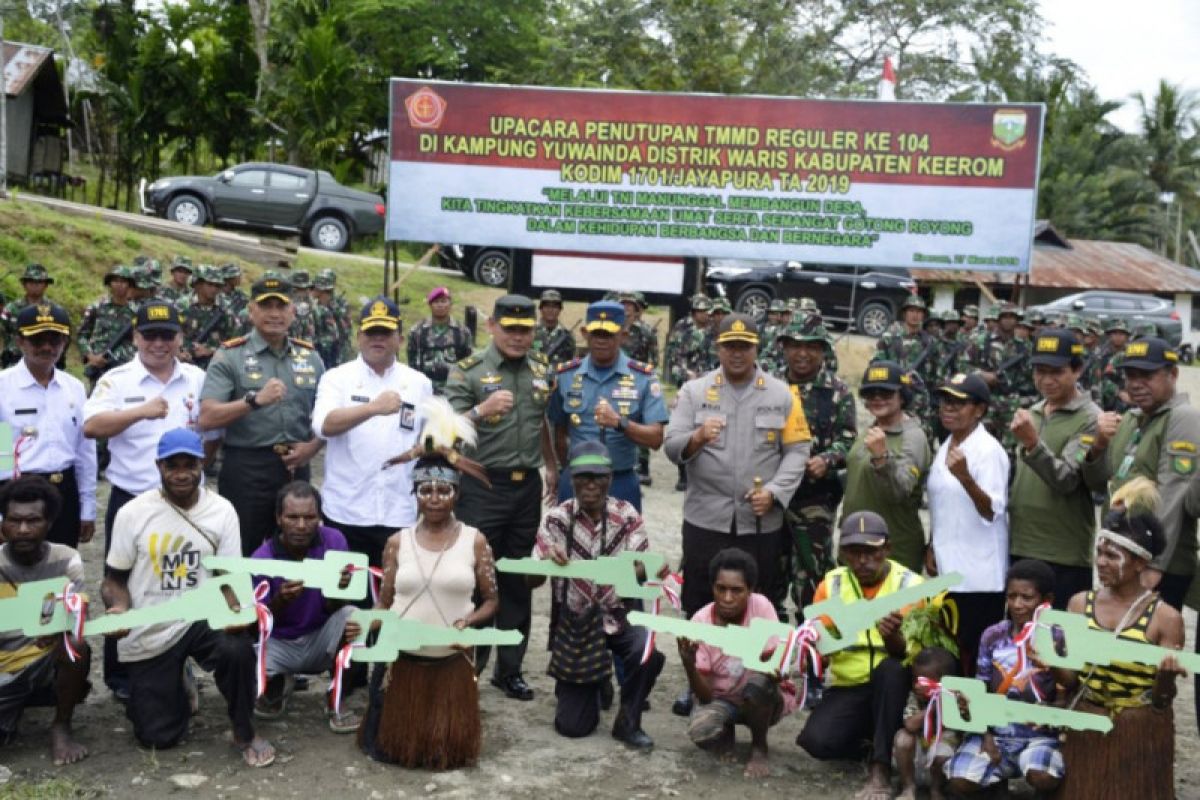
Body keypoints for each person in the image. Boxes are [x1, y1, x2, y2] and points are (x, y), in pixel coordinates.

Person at [101, 428, 274, 767]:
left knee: (236, 648)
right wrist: (119, 607)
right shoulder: (133, 513)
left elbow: (228, 577)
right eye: (172, 466)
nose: (181, 474)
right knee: (157, 737)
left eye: (189, 465)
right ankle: (178, 682)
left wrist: (236, 611)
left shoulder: (222, 510)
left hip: (200, 614)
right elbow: (113, 580)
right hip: (153, 620)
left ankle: (243, 729)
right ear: (158, 467)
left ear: (202, 464)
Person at [665, 313, 810, 714]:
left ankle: (756, 682)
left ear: (756, 349)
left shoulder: (783, 395)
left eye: (744, 346)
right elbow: (671, 445)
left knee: (760, 599)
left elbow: (798, 451)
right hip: (706, 517)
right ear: (718, 348)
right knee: (698, 597)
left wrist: (777, 493)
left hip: (760, 520)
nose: (736, 353)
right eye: (729, 345)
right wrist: (696, 437)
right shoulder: (696, 392)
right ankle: (696, 682)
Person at [82, 300, 209, 701]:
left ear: (180, 338)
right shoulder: (117, 380)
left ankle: (177, 659)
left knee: (181, 581)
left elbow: (212, 426)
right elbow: (91, 425)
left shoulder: (196, 378)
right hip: (133, 498)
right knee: (122, 585)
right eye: (150, 335)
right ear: (135, 337)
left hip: (185, 502)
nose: (159, 343)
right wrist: (140, 412)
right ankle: (121, 677)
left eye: (167, 335)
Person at [445, 294, 555, 701]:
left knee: (516, 581)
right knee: (475, 579)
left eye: (525, 330)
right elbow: (446, 431)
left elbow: (539, 420)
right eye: (509, 328)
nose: (517, 337)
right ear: (491, 326)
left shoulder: (542, 370)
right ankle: (467, 663)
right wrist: (481, 409)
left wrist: (553, 464)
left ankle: (509, 670)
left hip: (525, 489)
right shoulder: (468, 371)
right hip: (482, 487)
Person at [358, 453, 498, 769]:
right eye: (425, 491)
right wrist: (367, 625)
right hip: (403, 661)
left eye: (443, 491)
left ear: (457, 494)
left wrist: (470, 620)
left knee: (445, 755)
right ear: (415, 495)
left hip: (451, 660)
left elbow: (491, 601)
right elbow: (385, 601)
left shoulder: (475, 541)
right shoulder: (397, 542)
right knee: (394, 751)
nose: (434, 499)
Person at [1049, 479, 1186, 800]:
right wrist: (1054, 661)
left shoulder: (1166, 618)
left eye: (1112, 555)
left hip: (1138, 730)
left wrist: (1164, 680)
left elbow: (1161, 702)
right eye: (1099, 552)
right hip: (1089, 721)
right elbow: (1071, 680)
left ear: (1140, 562)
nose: (1101, 562)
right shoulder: (1079, 604)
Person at [528, 441, 664, 747]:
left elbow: (643, 568)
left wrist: (626, 569)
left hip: (617, 616)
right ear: (571, 478)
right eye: (583, 476)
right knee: (573, 728)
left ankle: (628, 721)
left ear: (610, 478)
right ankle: (598, 678)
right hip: (576, 625)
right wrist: (548, 557)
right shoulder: (555, 519)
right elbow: (530, 580)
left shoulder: (627, 514)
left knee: (647, 651)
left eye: (598, 476)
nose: (590, 484)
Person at [796, 511, 921, 800]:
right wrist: (808, 649)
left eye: (872, 552)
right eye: (854, 552)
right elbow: (821, 649)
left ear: (887, 549)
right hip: (848, 685)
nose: (863, 561)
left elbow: (914, 657)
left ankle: (880, 770)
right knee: (815, 742)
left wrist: (893, 637)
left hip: (893, 686)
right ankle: (873, 740)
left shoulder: (911, 586)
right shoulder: (832, 584)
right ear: (843, 553)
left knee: (891, 669)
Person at [199, 273, 326, 555]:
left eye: (281, 306)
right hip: (247, 468)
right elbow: (208, 417)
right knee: (244, 548)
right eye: (266, 306)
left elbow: (328, 415)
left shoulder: (311, 358)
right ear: (251, 311)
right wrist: (254, 401)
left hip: (296, 467)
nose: (274, 314)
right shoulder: (230, 355)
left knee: (299, 548)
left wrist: (313, 447)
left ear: (293, 311)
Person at [312, 297, 433, 567]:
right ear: (358, 337)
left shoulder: (418, 383)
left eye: (386, 333)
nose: (378, 339)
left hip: (398, 510)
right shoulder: (337, 378)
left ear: (400, 339)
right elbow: (324, 425)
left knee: (392, 599)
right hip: (346, 511)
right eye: (371, 332)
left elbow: (428, 438)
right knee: (344, 599)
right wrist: (372, 408)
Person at [1082, 337, 1200, 612]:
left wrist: (1151, 563)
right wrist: (1096, 448)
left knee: (1152, 650)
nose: (1136, 384)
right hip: (1123, 559)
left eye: (1147, 375)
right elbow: (1101, 483)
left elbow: (1171, 495)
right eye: (1130, 376)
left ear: (1173, 374)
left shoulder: (1183, 418)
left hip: (1155, 564)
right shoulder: (1132, 420)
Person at [943, 559, 1064, 797]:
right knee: (960, 780)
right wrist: (986, 736)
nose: (1017, 605)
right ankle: (996, 785)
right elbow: (981, 688)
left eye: (1026, 598)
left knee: (1043, 775)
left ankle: (1043, 789)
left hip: (1040, 735)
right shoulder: (993, 635)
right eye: (1011, 596)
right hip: (998, 733)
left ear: (1046, 600)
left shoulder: (1059, 637)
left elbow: (1067, 691)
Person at [678, 548, 798, 779]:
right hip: (721, 698)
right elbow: (704, 696)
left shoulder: (761, 608)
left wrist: (777, 666)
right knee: (701, 731)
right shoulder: (700, 622)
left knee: (757, 686)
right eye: (721, 588)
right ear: (712, 587)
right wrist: (689, 665)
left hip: (761, 697)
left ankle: (759, 746)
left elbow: (772, 672)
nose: (727, 598)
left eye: (737, 590)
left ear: (750, 591)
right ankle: (727, 730)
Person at [250, 481, 358, 731]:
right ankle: (278, 685)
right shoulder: (262, 559)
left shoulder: (334, 541)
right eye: (292, 517)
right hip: (279, 642)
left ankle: (335, 699)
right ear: (278, 518)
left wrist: (339, 589)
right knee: (244, 663)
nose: (301, 526)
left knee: (354, 618)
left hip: (319, 636)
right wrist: (279, 600)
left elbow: (336, 607)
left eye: (309, 517)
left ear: (319, 518)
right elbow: (255, 624)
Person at [1007, 329, 1102, 608]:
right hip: (1021, 546)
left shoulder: (1090, 418)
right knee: (1020, 640)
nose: (1046, 380)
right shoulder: (1032, 412)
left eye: (1056, 372)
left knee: (1058, 643)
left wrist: (1033, 444)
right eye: (1040, 371)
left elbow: (1067, 479)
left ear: (1077, 370)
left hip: (1063, 554)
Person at [0, 476, 90, 765]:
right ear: (3, 523)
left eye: (33, 521)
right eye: (14, 521)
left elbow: (76, 616)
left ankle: (61, 725)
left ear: (49, 522)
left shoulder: (66, 559)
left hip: (45, 659)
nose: (23, 530)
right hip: (4, 664)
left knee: (76, 644)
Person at [548, 300, 668, 510]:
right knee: (568, 541)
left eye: (609, 334)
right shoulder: (566, 375)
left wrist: (620, 423)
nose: (601, 341)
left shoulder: (643, 378)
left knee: (624, 542)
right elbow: (558, 432)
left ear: (623, 335)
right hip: (576, 479)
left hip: (620, 480)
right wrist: (565, 469)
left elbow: (656, 438)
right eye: (596, 334)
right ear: (585, 333)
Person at [927, 373, 1009, 673]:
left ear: (980, 410)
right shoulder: (947, 443)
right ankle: (952, 712)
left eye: (959, 403)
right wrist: (932, 545)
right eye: (945, 401)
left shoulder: (989, 451)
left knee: (974, 653)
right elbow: (941, 505)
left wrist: (966, 478)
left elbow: (991, 511)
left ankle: (974, 716)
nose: (948, 408)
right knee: (951, 645)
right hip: (949, 566)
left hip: (979, 576)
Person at [0, 303, 97, 549]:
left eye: (55, 340)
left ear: (65, 342)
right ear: (20, 341)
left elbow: (84, 452)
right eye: (37, 340)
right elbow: (1, 457)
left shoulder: (73, 387)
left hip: (64, 491)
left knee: (61, 572)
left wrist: (87, 507)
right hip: (19, 496)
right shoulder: (3, 388)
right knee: (14, 578)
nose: (47, 347)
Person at [778, 316, 857, 617]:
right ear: (784, 348)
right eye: (796, 345)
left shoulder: (837, 392)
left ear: (823, 351)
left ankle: (811, 651)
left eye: (812, 347)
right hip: (771, 499)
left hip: (815, 501)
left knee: (812, 580)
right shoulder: (768, 386)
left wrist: (827, 458)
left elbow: (849, 440)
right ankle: (771, 653)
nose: (803, 353)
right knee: (769, 576)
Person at [841, 362, 931, 573]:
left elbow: (900, 491)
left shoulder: (912, 437)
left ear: (902, 396)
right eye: (870, 393)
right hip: (857, 545)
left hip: (891, 553)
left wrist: (882, 458)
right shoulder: (873, 428)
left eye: (886, 393)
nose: (877, 398)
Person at [893, 647, 960, 800]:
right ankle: (908, 787)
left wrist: (946, 700)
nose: (917, 685)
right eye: (914, 679)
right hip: (915, 761)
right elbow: (910, 725)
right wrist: (934, 706)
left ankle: (936, 790)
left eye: (923, 681)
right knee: (902, 737)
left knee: (942, 753)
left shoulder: (956, 698)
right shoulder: (915, 697)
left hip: (940, 763)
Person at [663, 294, 713, 491]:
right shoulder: (682, 329)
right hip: (687, 387)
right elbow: (673, 357)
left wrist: (706, 377)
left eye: (706, 311)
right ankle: (683, 474)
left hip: (710, 386)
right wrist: (685, 376)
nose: (704, 315)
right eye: (700, 311)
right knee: (685, 428)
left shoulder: (714, 332)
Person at [874, 294, 936, 435]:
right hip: (894, 397)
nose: (915, 315)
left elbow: (934, 374)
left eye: (919, 311)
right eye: (912, 311)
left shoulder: (929, 342)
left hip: (920, 401)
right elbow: (876, 367)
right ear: (904, 313)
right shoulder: (890, 337)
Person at [77, 264, 138, 384]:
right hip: (101, 366)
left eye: (123, 282)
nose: (119, 285)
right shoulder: (97, 307)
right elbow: (82, 335)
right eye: (115, 281)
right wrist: (91, 356)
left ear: (129, 285)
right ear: (109, 283)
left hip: (126, 368)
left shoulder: (136, 312)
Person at [407, 286, 472, 394]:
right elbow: (412, 363)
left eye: (444, 301)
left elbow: (468, 362)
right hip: (424, 389)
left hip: (454, 390)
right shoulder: (417, 331)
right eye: (436, 302)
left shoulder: (462, 332)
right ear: (430, 305)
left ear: (450, 304)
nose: (440, 305)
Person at [179, 264, 236, 370]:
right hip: (182, 364)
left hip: (214, 367)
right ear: (198, 284)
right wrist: (179, 353)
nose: (214, 289)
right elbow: (170, 335)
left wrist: (210, 350)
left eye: (217, 286)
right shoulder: (182, 306)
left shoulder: (225, 310)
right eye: (209, 284)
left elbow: (234, 343)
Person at [0, 263, 54, 368]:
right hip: (14, 362)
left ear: (46, 285)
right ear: (24, 284)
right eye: (31, 281)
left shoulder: (54, 311)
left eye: (39, 282)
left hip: (43, 363)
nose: (35, 285)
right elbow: (3, 331)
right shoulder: (11, 309)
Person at [532, 289, 576, 369]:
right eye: (547, 306)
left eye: (555, 306)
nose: (550, 310)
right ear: (541, 308)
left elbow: (571, 361)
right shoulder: (530, 332)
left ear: (560, 309)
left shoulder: (567, 336)